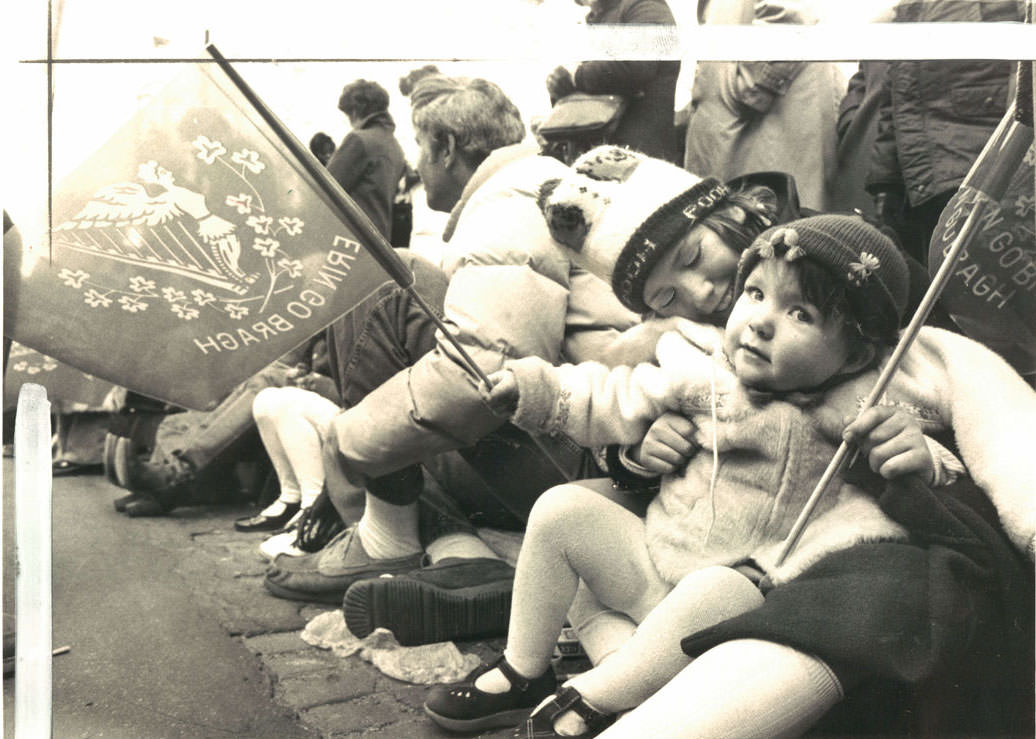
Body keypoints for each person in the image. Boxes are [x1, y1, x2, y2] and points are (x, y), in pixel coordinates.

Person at [263, 84, 779, 648]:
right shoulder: (539, 192)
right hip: (615, 443)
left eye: (419, 147)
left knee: (390, 290)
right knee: (413, 426)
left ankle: (401, 543)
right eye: (666, 295)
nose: (701, 292)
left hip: (598, 457)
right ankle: (467, 561)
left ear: (447, 145)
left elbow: (479, 372)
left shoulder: (509, 199)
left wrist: (345, 445)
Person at [424, 212, 964, 736]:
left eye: (801, 314)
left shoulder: (860, 407)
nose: (761, 320)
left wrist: (921, 458)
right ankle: (524, 668)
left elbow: (935, 461)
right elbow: (608, 395)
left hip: (736, 614)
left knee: (722, 586)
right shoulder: (703, 371)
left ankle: (596, 696)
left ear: (855, 355)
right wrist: (535, 390)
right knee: (562, 509)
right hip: (657, 567)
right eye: (754, 294)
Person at [864, 0, 1023, 266]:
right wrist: (886, 186)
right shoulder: (911, 9)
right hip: (923, 186)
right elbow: (896, 100)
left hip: (981, 179)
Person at [680, 0, 844, 210]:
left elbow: (790, 13)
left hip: (760, 116)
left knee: (769, 224)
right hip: (753, 111)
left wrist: (749, 88)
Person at [545, 0, 680, 164]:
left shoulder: (645, 6)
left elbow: (635, 66)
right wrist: (559, 82)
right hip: (603, 153)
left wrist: (575, 76)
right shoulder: (601, 16)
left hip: (639, 155)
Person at [325, 79, 407, 240]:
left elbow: (324, 187)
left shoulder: (359, 140)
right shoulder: (394, 145)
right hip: (379, 239)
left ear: (356, 110)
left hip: (351, 237)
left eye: (348, 113)